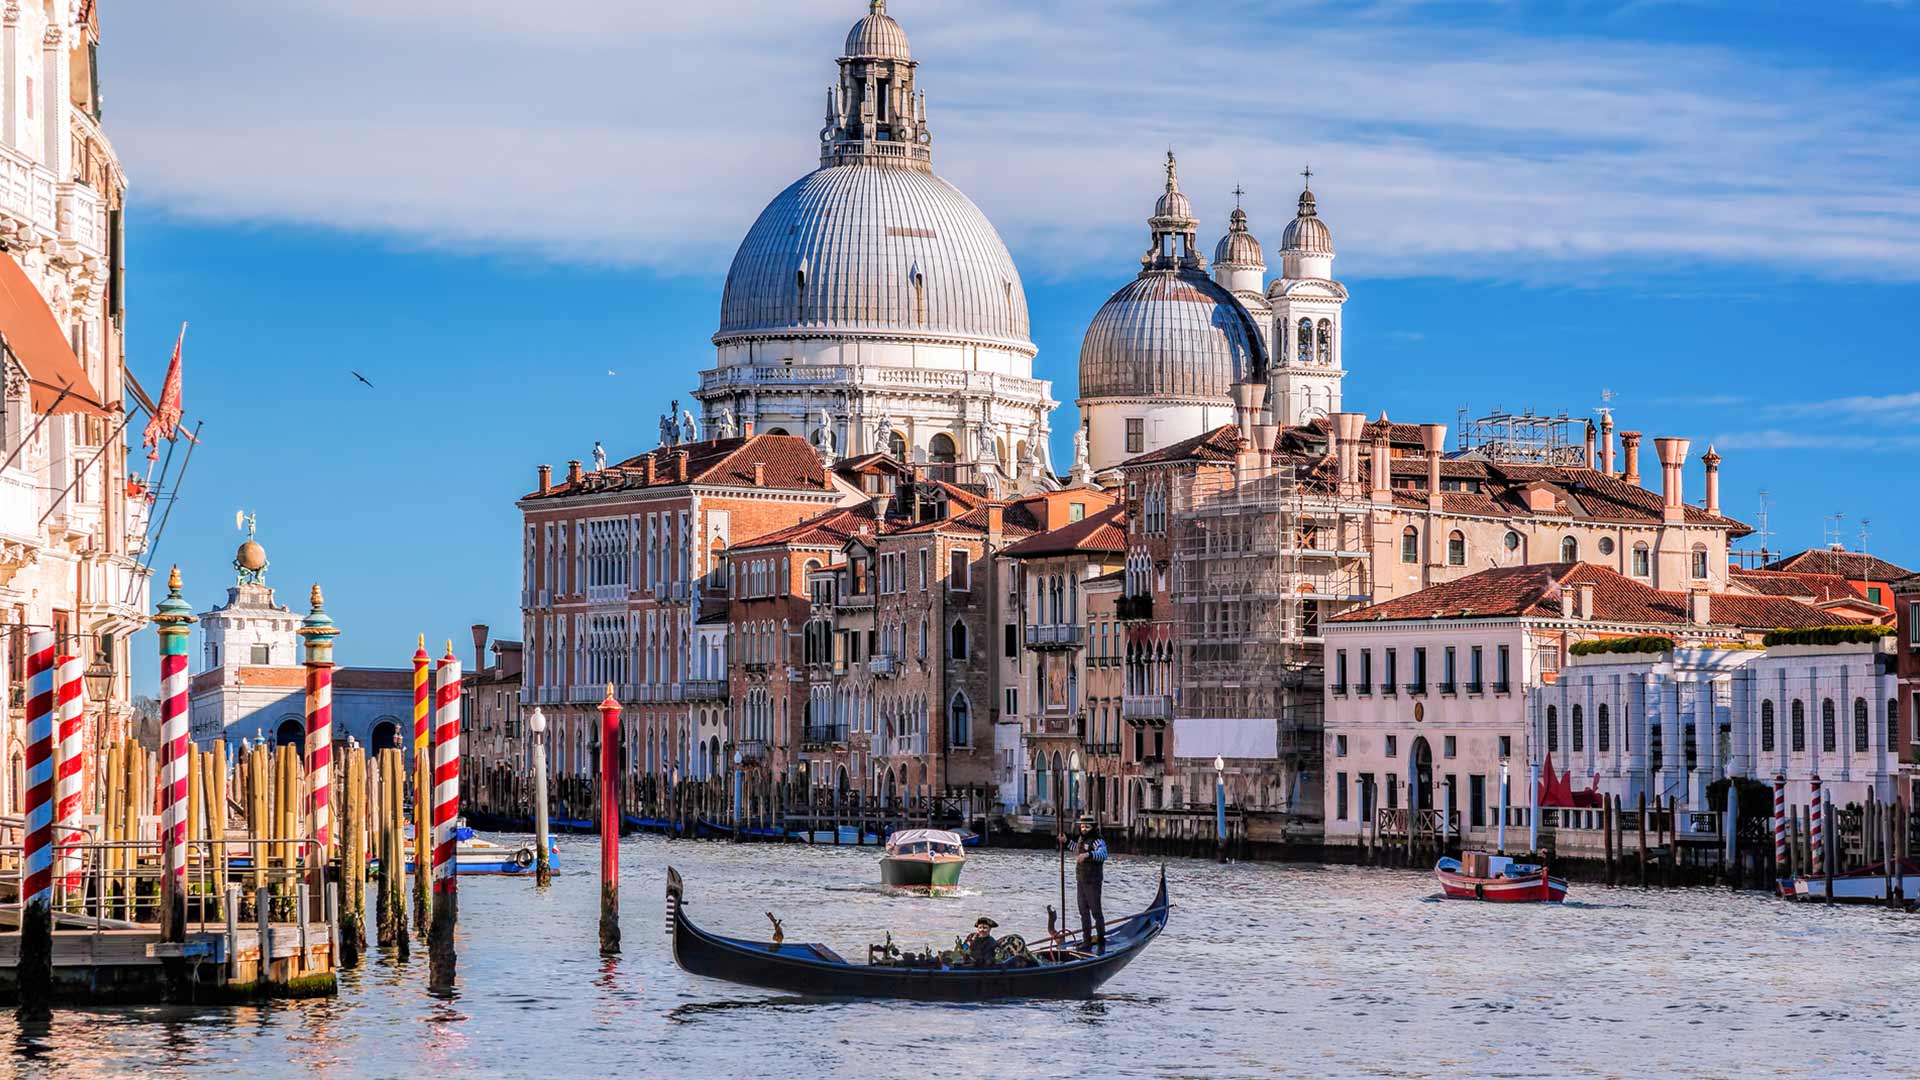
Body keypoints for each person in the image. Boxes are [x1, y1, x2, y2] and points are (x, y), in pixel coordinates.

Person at [1070, 815, 1107, 952]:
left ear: (1093, 827)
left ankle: (1101, 939)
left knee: (1096, 912)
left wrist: (1088, 855)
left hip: (1093, 881)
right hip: (1081, 880)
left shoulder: (1098, 840)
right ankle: (1086, 941)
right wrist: (1066, 841)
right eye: (1082, 826)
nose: (1084, 829)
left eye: (1087, 826)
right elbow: (1077, 849)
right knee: (1083, 911)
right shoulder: (1081, 840)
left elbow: (1103, 854)